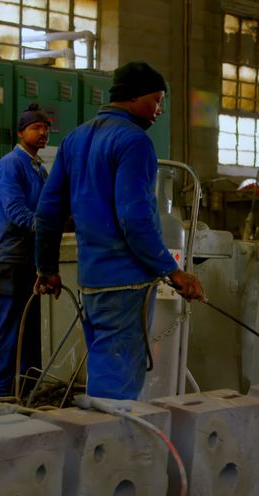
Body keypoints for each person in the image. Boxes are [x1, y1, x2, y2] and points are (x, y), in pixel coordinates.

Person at [33, 61, 204, 401]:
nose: (159, 110)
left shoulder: (74, 140)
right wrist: (172, 271)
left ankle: (98, 444)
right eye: (157, 100)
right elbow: (134, 218)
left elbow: (48, 210)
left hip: (92, 281)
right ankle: (110, 449)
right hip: (127, 282)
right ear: (135, 97)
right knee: (118, 383)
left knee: (104, 366)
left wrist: (47, 268)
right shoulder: (133, 141)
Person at [0, 103, 52, 396]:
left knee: (28, 324)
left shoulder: (39, 168)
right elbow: (15, 209)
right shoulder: (11, 164)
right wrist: (45, 227)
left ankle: (23, 384)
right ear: (20, 132)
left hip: (29, 257)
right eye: (36, 128)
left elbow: (50, 207)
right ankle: (1, 387)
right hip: (8, 256)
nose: (43, 134)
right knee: (7, 323)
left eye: (46, 129)